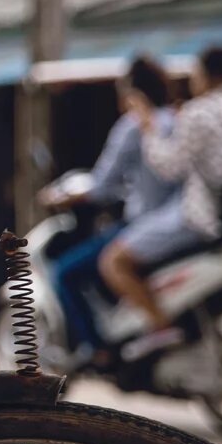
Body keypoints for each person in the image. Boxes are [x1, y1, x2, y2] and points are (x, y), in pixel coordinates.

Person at [101, 38, 222, 360]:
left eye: (195, 74)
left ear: (208, 75)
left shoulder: (199, 112)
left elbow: (169, 168)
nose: (192, 82)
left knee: (113, 261)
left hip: (201, 217)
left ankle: (160, 325)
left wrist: (148, 124)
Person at [41, 55, 177, 368]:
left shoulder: (135, 125)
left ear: (133, 93)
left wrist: (62, 196)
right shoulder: (176, 120)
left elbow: (101, 185)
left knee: (65, 271)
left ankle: (97, 349)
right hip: (174, 221)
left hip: (145, 224)